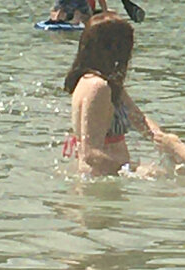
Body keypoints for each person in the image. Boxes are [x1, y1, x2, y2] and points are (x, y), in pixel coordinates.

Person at [62, 14, 155, 175]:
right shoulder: (98, 88)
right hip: (98, 180)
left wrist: (170, 145)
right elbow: (91, 154)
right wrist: (135, 171)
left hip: (108, 176)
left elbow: (140, 120)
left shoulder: (106, 83)